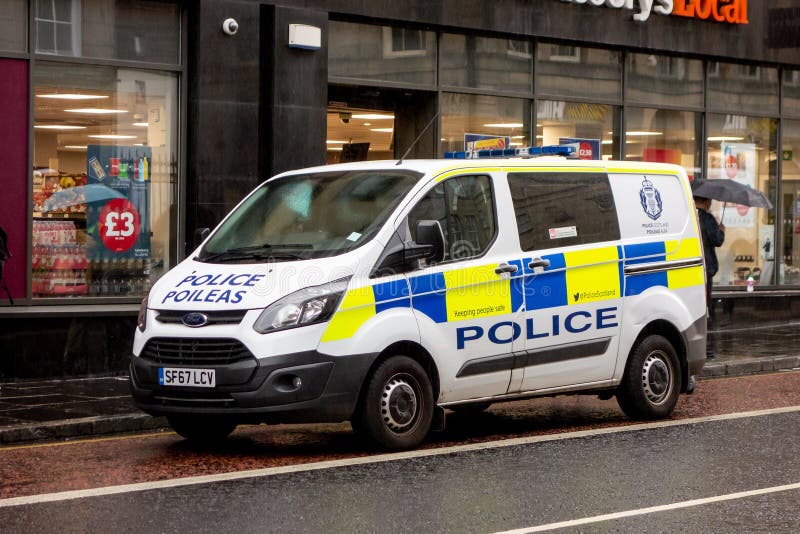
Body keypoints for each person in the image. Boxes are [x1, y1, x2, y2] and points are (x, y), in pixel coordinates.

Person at [694, 195, 725, 358]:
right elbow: (717, 240)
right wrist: (722, 230)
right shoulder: (707, 219)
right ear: (707, 201)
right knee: (705, 308)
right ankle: (704, 348)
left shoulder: (689, 214)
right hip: (706, 269)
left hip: (691, 269)